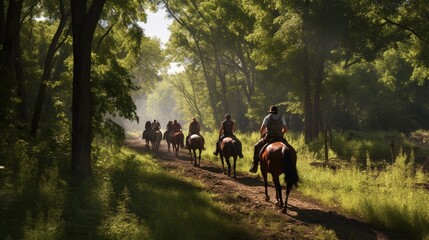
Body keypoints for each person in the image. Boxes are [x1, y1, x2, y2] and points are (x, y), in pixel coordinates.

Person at [249, 105, 288, 173]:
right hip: (279, 137)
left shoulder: (267, 118)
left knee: (256, 146)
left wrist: (262, 135)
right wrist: (281, 132)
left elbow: (262, 129)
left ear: (270, 112)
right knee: (288, 148)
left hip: (269, 137)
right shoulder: (281, 118)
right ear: (277, 112)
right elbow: (286, 129)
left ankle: (255, 166)